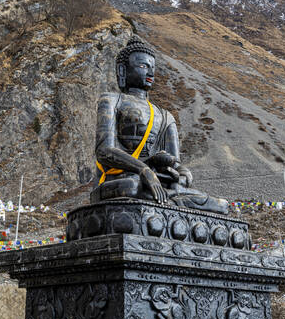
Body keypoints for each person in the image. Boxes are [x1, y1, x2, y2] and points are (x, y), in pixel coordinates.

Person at [91, 37, 228, 214]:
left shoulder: (164, 116)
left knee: (220, 205)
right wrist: (143, 169)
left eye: (153, 68)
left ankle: (168, 203)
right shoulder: (111, 101)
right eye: (143, 66)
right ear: (122, 69)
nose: (150, 73)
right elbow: (104, 151)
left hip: (158, 181)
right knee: (133, 187)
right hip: (120, 179)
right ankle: (168, 205)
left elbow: (176, 163)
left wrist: (182, 175)